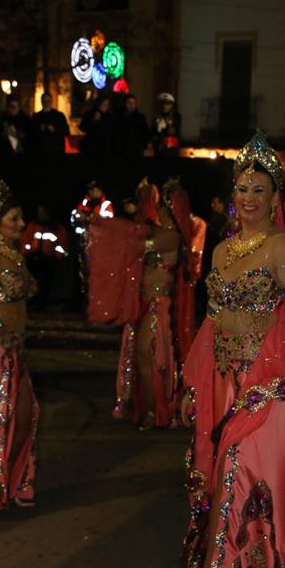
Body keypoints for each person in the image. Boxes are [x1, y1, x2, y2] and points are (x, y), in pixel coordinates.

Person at [181, 131, 285, 568]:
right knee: (227, 473)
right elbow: (211, 321)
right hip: (225, 380)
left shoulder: (283, 248)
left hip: (271, 385)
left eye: (258, 189)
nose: (248, 198)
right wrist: (195, 386)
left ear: (275, 197)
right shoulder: (221, 254)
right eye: (242, 188)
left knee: (249, 474)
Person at [87, 178, 197, 428]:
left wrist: (105, 224)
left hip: (158, 306)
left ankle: (154, 411)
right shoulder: (156, 232)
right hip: (146, 304)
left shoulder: (171, 238)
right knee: (141, 356)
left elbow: (134, 238)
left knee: (147, 356)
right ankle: (148, 408)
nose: (155, 210)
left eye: (160, 207)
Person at [0, 178, 38, 515]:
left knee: (25, 413)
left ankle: (13, 478)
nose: (21, 224)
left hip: (15, 349)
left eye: (20, 218)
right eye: (13, 219)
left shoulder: (14, 256)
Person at [21, 204, 69, 309]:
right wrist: (26, 253)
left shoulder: (57, 228)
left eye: (43, 212)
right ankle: (32, 302)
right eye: (39, 212)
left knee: (46, 283)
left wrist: (58, 256)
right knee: (32, 281)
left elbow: (62, 246)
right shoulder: (32, 226)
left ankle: (42, 303)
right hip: (33, 259)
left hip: (49, 260)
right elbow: (25, 240)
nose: (41, 215)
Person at [113, 93, 149, 159]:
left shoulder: (140, 117)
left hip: (135, 151)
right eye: (129, 103)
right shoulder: (117, 116)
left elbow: (145, 133)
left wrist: (142, 146)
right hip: (119, 151)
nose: (131, 105)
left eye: (133, 103)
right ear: (124, 103)